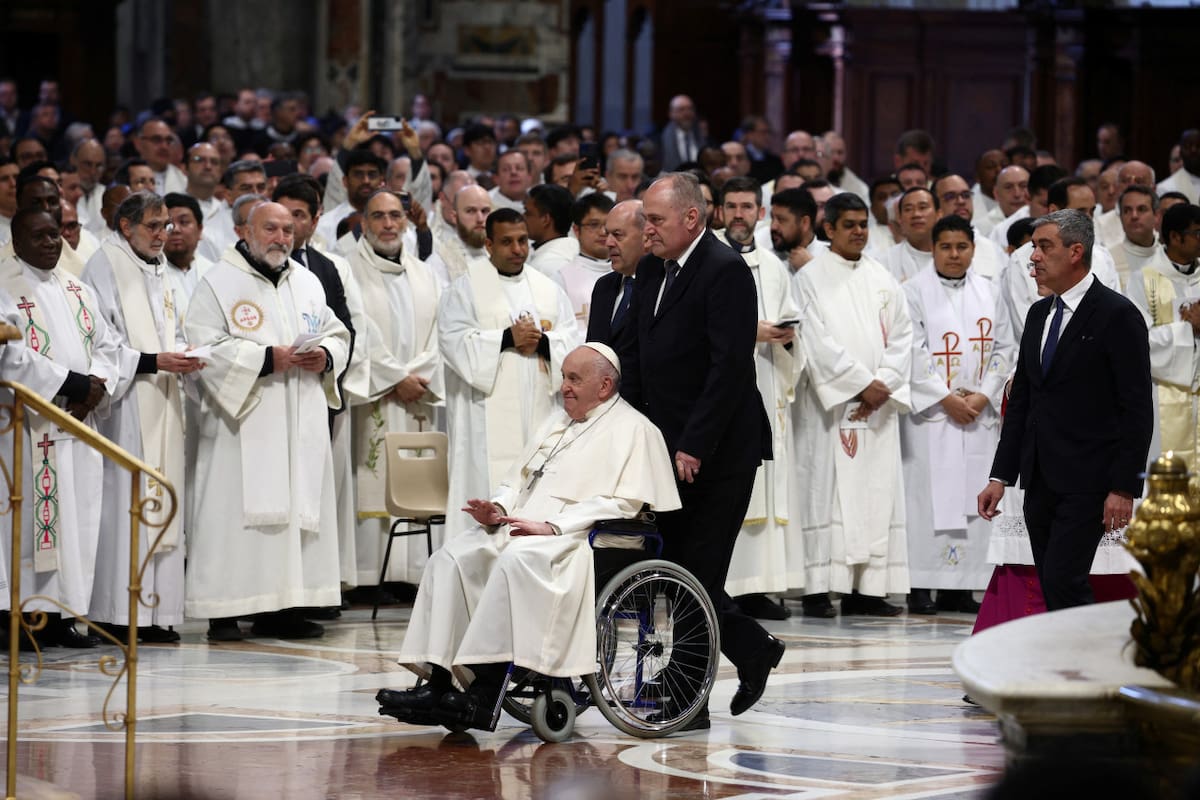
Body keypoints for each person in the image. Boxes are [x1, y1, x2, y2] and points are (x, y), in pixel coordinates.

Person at [376, 343, 680, 730]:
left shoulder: (635, 429)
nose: (564, 387)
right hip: (526, 532)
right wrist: (499, 510)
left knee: (516, 561)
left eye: (574, 378)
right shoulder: (558, 423)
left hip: (587, 541)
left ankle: (483, 694)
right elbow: (517, 480)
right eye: (564, 377)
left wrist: (554, 525)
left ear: (604, 386)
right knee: (451, 558)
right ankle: (439, 682)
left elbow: (623, 504)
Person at [622, 172, 783, 723]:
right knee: (676, 567)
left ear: (692, 219)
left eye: (656, 220)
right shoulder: (651, 269)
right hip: (665, 446)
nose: (646, 230)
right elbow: (643, 358)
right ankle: (751, 651)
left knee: (696, 568)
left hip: (721, 449)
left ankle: (690, 698)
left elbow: (729, 367)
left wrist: (693, 444)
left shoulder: (725, 270)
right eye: (644, 220)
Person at [183, 201, 351, 640]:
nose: (281, 237)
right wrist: (263, 359)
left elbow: (337, 332)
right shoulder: (218, 282)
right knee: (230, 511)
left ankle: (285, 607)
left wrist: (327, 355)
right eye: (270, 229)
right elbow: (203, 346)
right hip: (243, 421)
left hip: (300, 415)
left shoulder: (308, 282)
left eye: (287, 230)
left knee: (297, 507)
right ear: (245, 231)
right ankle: (224, 610)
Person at [978, 209, 1153, 611]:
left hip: (1091, 480)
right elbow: (1023, 401)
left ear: (1076, 252)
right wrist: (1000, 476)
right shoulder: (1038, 314)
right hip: (1040, 479)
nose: (1033, 257)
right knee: (1054, 585)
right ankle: (1074, 668)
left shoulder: (1118, 315)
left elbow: (1137, 408)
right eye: (1032, 247)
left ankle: (1090, 667)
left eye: (1044, 246)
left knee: (1065, 580)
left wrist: (1124, 487)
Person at [81, 191, 201, 641]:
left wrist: (187, 355)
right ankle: (116, 612)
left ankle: (157, 614)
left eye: (166, 224)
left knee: (163, 499)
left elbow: (175, 327)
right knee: (125, 504)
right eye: (152, 225)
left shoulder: (161, 268)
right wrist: (153, 362)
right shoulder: (104, 265)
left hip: (164, 398)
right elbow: (101, 340)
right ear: (125, 226)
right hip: (127, 406)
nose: (161, 234)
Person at [0, 208, 120, 648]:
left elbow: (109, 347)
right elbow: (8, 353)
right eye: (40, 235)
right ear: (16, 241)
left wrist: (94, 390)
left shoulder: (76, 287)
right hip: (25, 426)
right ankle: (21, 617)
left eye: (56, 234)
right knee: (31, 526)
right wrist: (69, 383)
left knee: (76, 525)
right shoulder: (5, 286)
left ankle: (64, 615)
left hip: (75, 424)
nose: (52, 243)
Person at [792, 192, 913, 618]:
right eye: (849, 224)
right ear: (828, 229)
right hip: (831, 408)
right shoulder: (809, 278)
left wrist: (884, 385)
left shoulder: (882, 277)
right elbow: (814, 340)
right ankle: (818, 590)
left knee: (876, 495)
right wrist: (861, 385)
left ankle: (869, 590)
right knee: (826, 494)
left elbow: (903, 338)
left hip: (876, 409)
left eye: (864, 224)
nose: (859, 231)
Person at [438, 208, 581, 538]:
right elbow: (453, 342)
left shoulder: (547, 288)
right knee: (487, 483)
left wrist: (543, 343)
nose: (517, 249)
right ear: (488, 244)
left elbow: (571, 339)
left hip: (540, 415)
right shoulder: (465, 290)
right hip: (483, 421)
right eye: (506, 242)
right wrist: (506, 338)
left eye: (522, 241)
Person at [900, 215, 1013, 614]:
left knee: (973, 495)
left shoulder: (990, 290)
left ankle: (962, 587)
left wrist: (983, 395)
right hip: (932, 416)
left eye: (961, 247)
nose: (953, 254)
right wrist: (946, 398)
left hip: (978, 414)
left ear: (973, 249)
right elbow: (911, 349)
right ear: (932, 249)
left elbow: (1005, 347)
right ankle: (920, 584)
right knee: (926, 498)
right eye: (945, 247)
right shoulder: (913, 291)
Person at [346, 189, 443, 587]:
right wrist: (393, 378)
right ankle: (371, 575)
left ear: (407, 220)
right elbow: (356, 332)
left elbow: (441, 331)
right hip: (375, 398)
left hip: (418, 392)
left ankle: (412, 573)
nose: (388, 224)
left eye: (395, 216)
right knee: (371, 473)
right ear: (363, 222)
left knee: (419, 478)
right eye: (379, 216)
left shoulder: (425, 273)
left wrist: (418, 375)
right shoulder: (347, 270)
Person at [716, 176, 803, 620]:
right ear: (719, 211)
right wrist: (750, 332)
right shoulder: (709, 259)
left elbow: (791, 328)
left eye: (747, 207)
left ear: (761, 213)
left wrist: (787, 338)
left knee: (765, 486)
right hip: (724, 386)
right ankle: (725, 586)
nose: (738, 214)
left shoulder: (772, 266)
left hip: (767, 382)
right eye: (731, 206)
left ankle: (759, 588)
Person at [1125, 202, 1200, 470]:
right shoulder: (1142, 280)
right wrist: (1187, 329)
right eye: (1197, 234)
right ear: (1175, 237)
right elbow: (1134, 343)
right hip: (1162, 398)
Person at [586, 199, 644, 353]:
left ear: (646, 236)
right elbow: (593, 348)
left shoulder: (663, 284)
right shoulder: (603, 286)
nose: (608, 243)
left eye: (617, 235)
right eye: (608, 234)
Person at [556, 193, 615, 334]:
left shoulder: (628, 273)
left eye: (608, 225)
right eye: (594, 225)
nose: (603, 232)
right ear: (576, 230)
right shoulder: (562, 277)